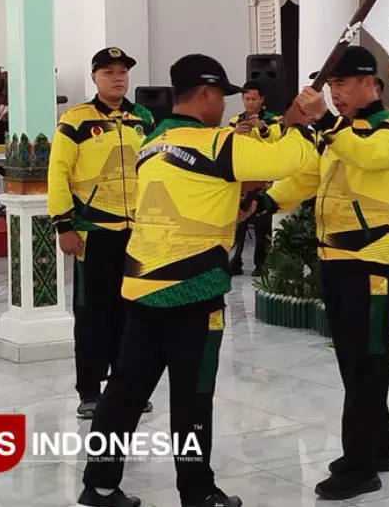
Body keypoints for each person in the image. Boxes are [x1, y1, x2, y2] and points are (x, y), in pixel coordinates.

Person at [76, 54, 316, 507]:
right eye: (220, 98)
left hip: (142, 287)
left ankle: (100, 486)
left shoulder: (151, 143)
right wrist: (300, 123)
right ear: (203, 94)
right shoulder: (217, 144)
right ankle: (198, 492)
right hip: (193, 292)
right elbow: (292, 158)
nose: (224, 108)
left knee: (125, 391)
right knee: (193, 395)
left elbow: (195, 195)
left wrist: (238, 202)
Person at [255, 46, 389, 501]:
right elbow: (307, 177)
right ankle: (378, 449)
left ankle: (360, 468)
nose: (336, 93)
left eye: (344, 84)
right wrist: (264, 203)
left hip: (372, 261)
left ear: (372, 85)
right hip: (336, 259)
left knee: (367, 363)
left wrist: (324, 120)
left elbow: (369, 157)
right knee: (353, 361)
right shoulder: (337, 134)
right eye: (333, 85)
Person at [48, 47, 155, 420]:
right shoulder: (76, 120)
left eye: (123, 71)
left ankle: (127, 388)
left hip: (137, 233)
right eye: (109, 72)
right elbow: (58, 174)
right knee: (94, 314)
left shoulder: (143, 118)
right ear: (94, 78)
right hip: (93, 233)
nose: (118, 77)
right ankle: (90, 391)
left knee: (134, 312)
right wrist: (64, 224)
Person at [227, 81, 282, 276]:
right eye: (246, 99)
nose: (249, 103)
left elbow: (277, 141)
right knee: (238, 222)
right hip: (242, 178)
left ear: (262, 99)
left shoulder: (273, 120)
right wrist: (234, 134)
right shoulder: (235, 119)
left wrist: (262, 128)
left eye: (253, 99)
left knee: (262, 223)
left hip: (263, 178)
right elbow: (228, 146)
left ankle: (262, 263)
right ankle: (235, 260)